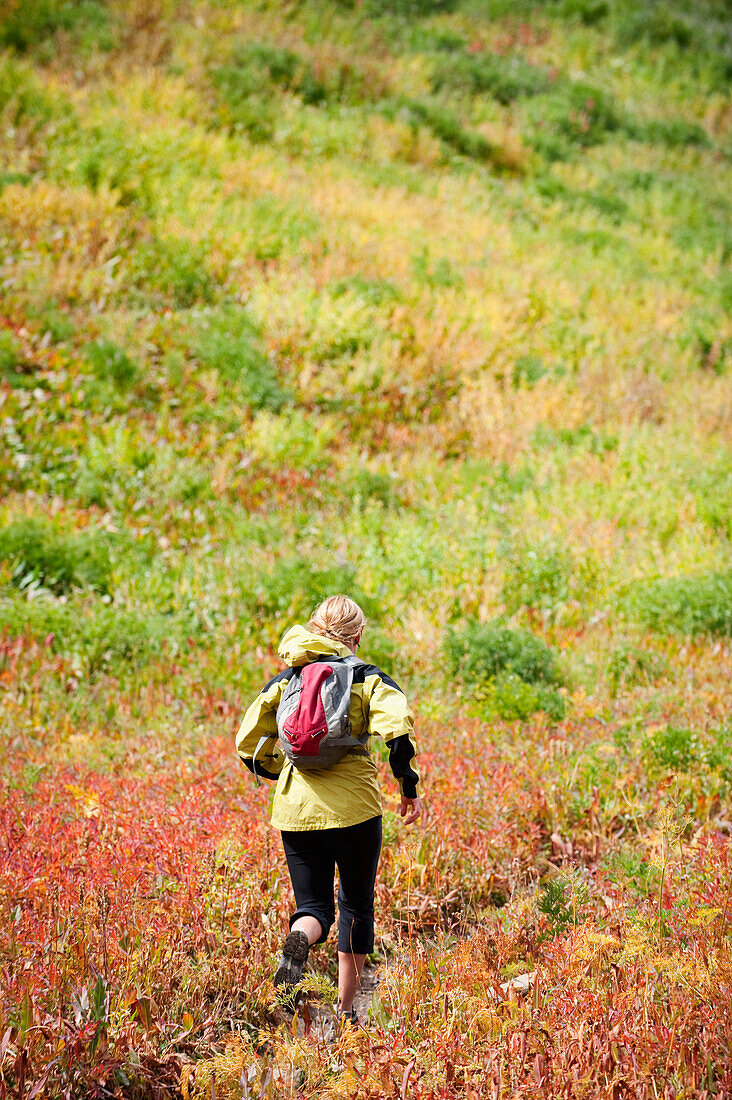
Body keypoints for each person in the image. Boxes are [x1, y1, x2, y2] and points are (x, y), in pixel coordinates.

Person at [235, 595, 421, 1022]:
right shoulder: (367, 678)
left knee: (313, 907)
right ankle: (345, 1010)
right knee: (356, 905)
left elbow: (246, 743)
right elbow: (398, 729)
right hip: (356, 808)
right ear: (357, 636)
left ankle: (299, 939)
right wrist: (406, 784)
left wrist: (283, 770)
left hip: (295, 810)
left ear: (315, 629)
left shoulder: (285, 680)